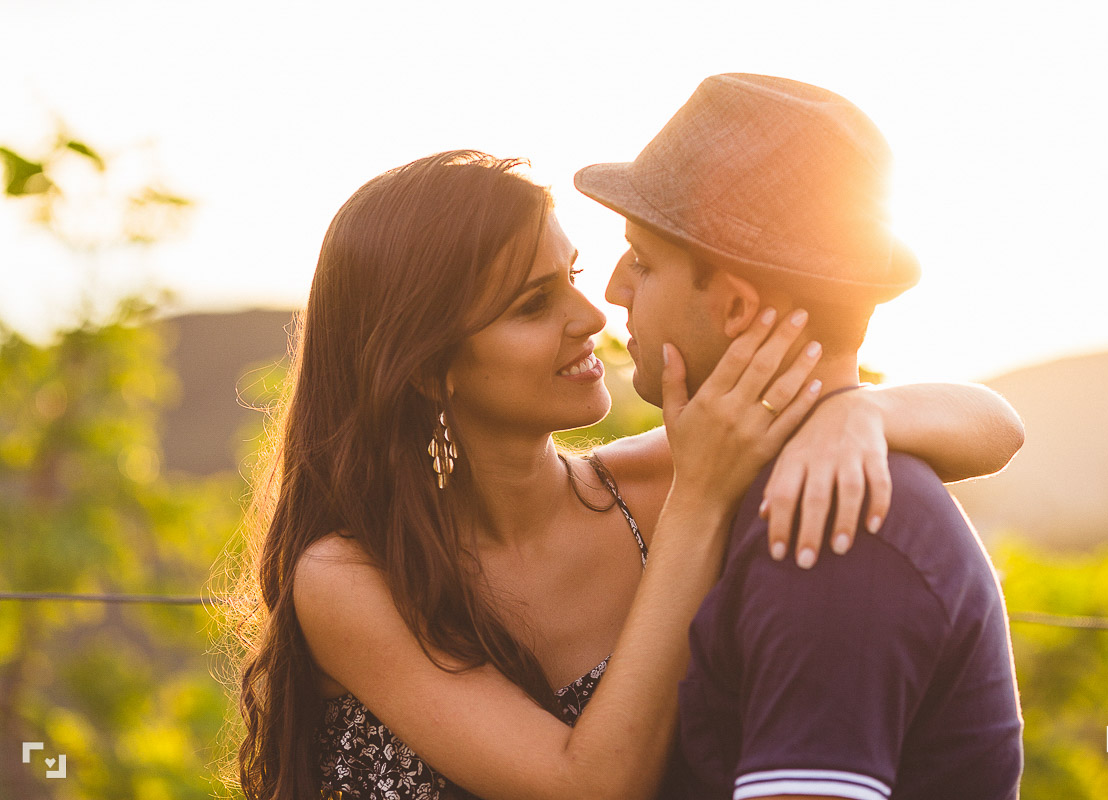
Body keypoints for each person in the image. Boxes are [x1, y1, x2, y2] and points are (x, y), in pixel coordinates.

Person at [231, 149, 1023, 800]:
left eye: (572, 277)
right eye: (533, 306)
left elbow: (995, 427)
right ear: (429, 368)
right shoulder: (348, 578)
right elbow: (588, 786)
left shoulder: (660, 475)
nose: (592, 318)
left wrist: (861, 416)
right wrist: (698, 508)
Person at [574, 74, 1024, 799]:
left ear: (737, 306)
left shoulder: (833, 530)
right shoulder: (744, 479)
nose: (614, 290)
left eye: (645, 261)